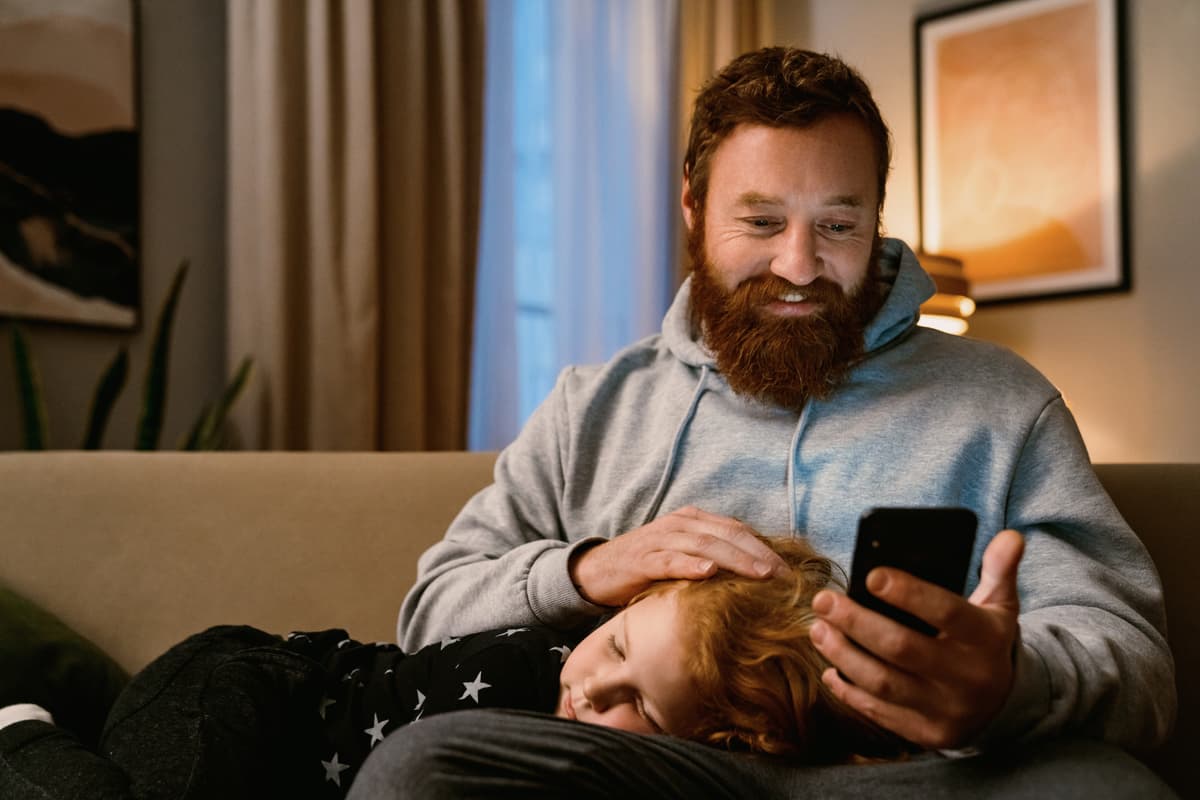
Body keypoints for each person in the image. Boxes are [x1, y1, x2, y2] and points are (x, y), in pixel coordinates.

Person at [351, 46, 1178, 798]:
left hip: (912, 777)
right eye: (761, 221)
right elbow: (430, 611)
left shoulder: (1001, 403)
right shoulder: (592, 405)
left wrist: (1006, 686)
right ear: (693, 209)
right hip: (657, 772)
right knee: (422, 768)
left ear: (876, 220)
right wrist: (592, 569)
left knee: (1109, 788)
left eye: (837, 226)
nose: (798, 264)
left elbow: (1138, 669)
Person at [0, 537, 901, 799]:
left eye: (640, 709)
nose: (592, 689)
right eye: (616, 648)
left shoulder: (601, 766)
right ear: (623, 610)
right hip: (245, 691)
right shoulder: (530, 685)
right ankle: (25, 739)